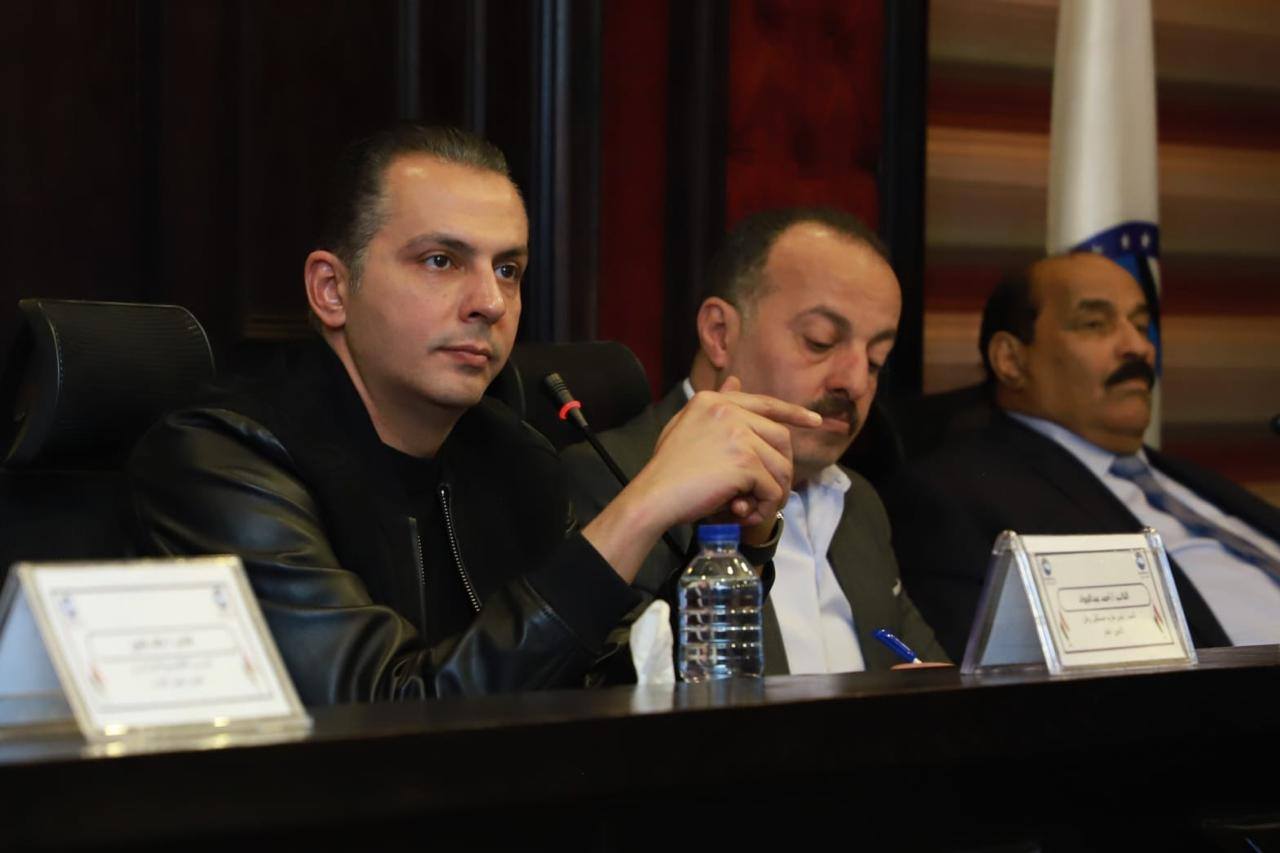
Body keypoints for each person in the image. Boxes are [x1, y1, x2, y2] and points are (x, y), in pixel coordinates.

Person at [129, 125, 821, 705]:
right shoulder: (224, 457)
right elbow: (384, 717)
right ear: (332, 290)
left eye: (508, 269)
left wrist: (733, 544)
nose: (489, 302)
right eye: (441, 260)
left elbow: (612, 686)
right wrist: (640, 508)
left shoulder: (514, 455)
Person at [562, 207, 947, 674]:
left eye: (876, 358)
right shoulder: (608, 477)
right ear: (720, 334)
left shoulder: (858, 501)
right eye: (821, 341)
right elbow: (616, 686)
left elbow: (927, 669)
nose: (856, 381)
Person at [882, 253, 1280, 660]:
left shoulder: (1186, 479)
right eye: (1095, 324)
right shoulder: (958, 496)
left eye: (1141, 325)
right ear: (1011, 360)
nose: (1139, 347)